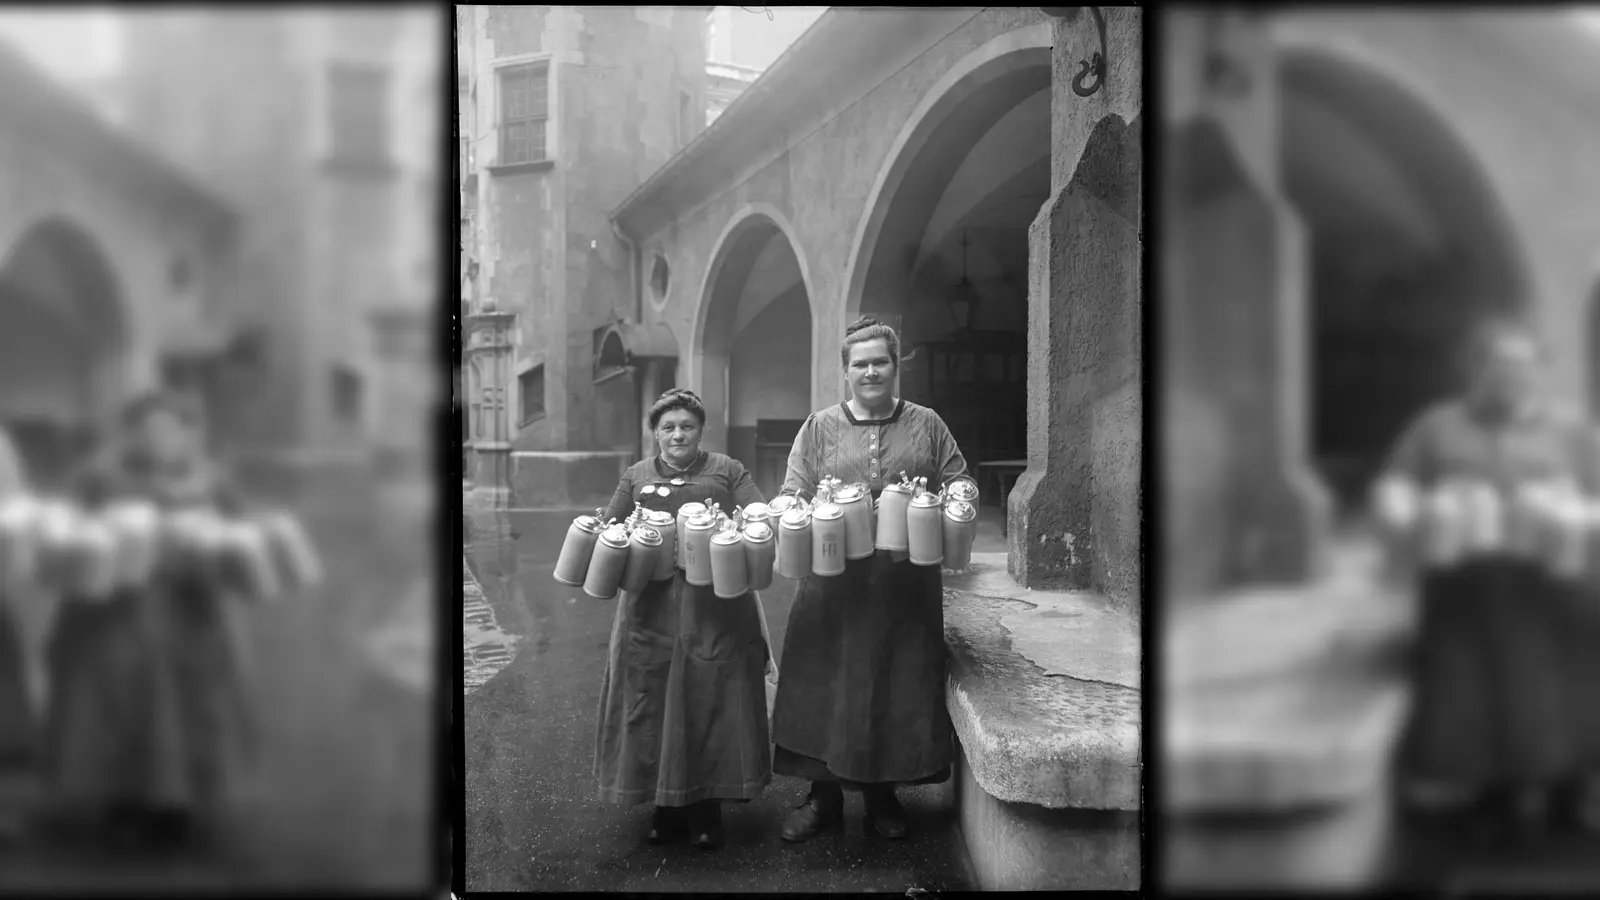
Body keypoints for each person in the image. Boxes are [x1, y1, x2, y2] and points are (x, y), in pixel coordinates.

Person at [770, 316, 977, 842]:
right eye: (859, 364)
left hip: (902, 587)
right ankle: (823, 800)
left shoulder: (928, 424)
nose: (870, 372)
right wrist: (792, 507)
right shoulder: (818, 427)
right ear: (845, 372)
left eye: (879, 362)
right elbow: (793, 490)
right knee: (825, 687)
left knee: (892, 684)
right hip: (831, 583)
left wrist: (955, 500)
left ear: (895, 365)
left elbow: (959, 481)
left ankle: (883, 794)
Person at [1376, 317, 1582, 840]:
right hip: (1461, 585)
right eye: (1496, 363)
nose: (1508, 375)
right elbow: (1395, 487)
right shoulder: (1437, 425)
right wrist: (1414, 513)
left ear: (1540, 371)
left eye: (1521, 365)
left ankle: (1558, 791)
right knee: (1468, 691)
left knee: (1546, 692)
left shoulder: (1571, 432)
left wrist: (1570, 513)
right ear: (1474, 368)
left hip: (1549, 585)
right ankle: (1481, 797)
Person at [43, 390, 258, 852]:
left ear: (188, 433)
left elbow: (245, 537)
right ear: (130, 432)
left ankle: (178, 807)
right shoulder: (99, 476)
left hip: (190, 615)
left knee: (185, 710)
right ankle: (121, 802)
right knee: (116, 706)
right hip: (111, 613)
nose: (157, 438)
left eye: (170, 428)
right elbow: (61, 530)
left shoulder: (212, 481)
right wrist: (93, 545)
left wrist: (216, 546)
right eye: (146, 428)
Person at [593, 388, 772, 849]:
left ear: (700, 430)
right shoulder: (636, 475)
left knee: (710, 697)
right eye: (668, 427)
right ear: (655, 433)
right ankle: (665, 805)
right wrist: (614, 530)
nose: (678, 434)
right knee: (650, 699)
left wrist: (749, 521)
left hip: (714, 605)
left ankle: (708, 804)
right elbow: (609, 526)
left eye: (686, 426)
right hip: (648, 610)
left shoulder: (727, 470)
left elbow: (757, 511)